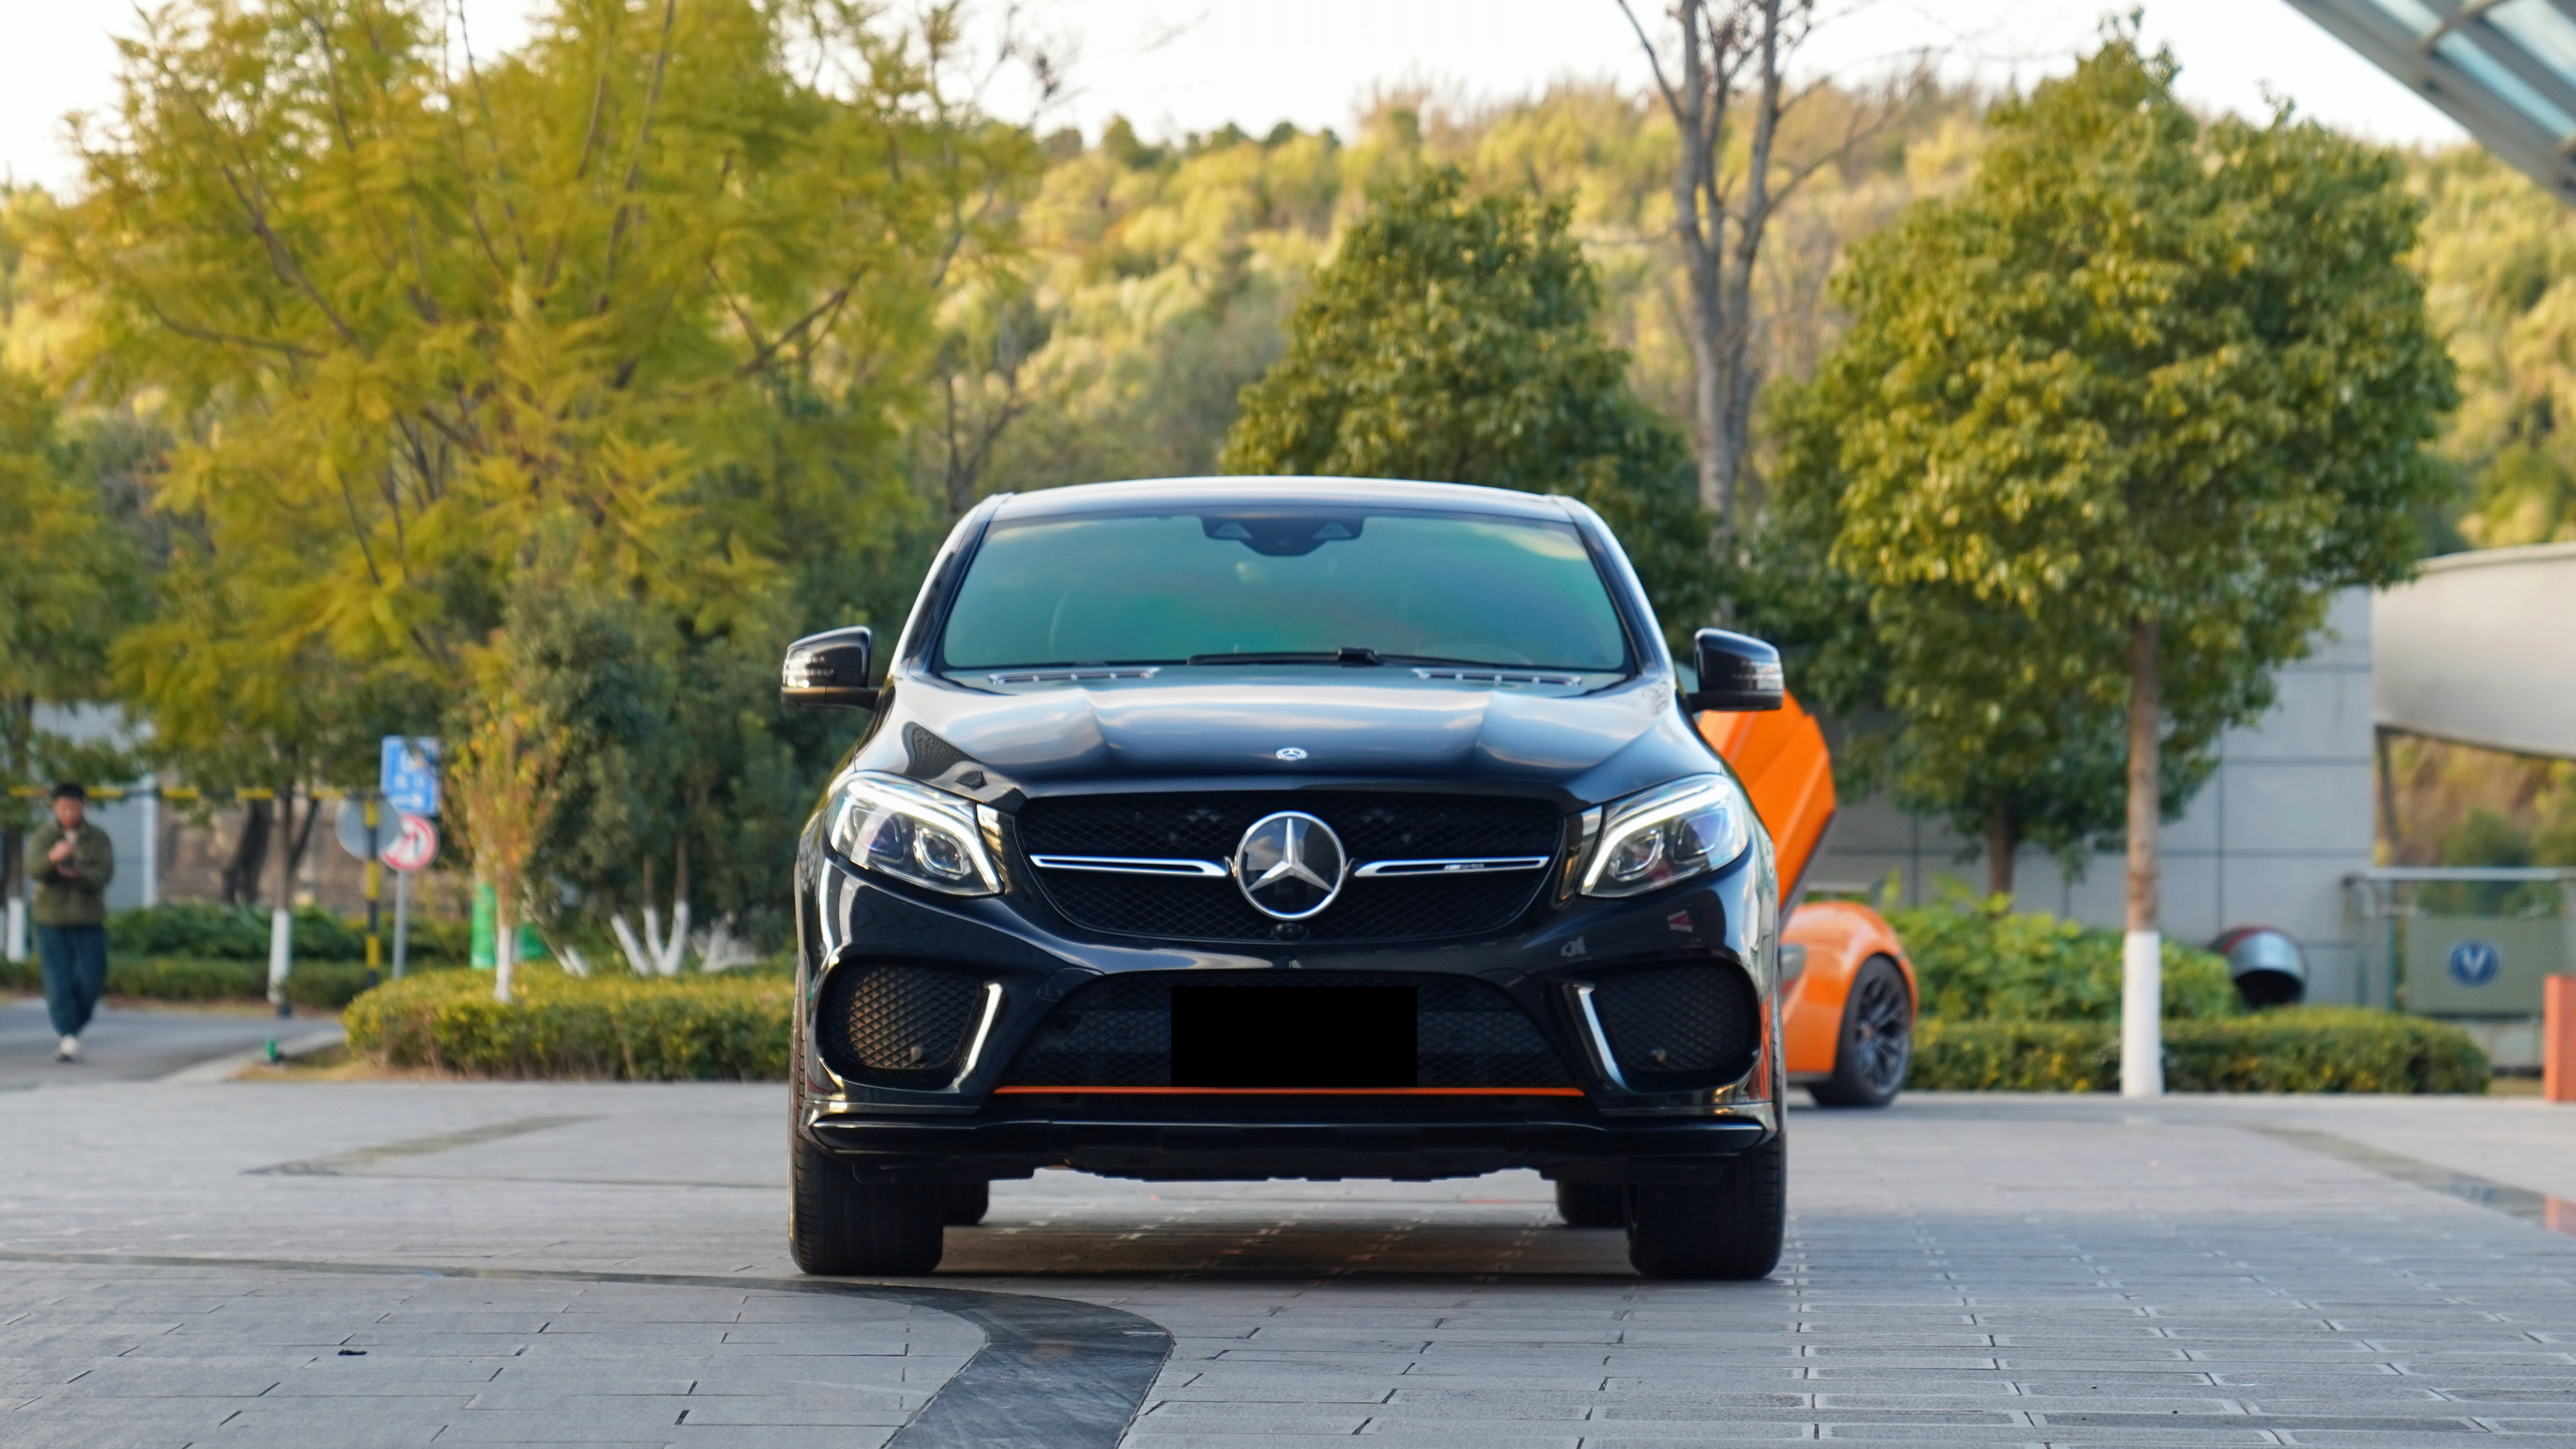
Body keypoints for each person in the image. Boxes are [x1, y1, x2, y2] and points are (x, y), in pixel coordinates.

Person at [27, 783, 114, 1062]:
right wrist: (53, 858)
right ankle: (68, 1036)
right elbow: (34, 870)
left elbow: (104, 875)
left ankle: (73, 1027)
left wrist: (78, 871)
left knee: (92, 977)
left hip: (88, 917)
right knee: (58, 980)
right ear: (55, 808)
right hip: (50, 918)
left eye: (73, 807)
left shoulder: (97, 838)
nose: (68, 813)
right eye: (62, 808)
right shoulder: (44, 836)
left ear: (83, 806)